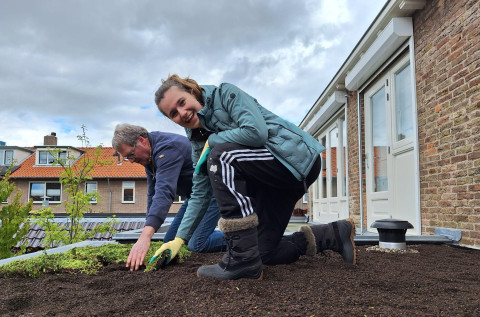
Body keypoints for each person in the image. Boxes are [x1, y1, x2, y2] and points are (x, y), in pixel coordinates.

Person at [152, 74, 356, 280]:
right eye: (174, 114)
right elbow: (200, 192)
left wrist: (213, 140)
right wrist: (179, 239)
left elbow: (256, 133)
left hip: (293, 159)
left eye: (182, 102)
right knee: (263, 253)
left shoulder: (225, 94)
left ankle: (242, 259)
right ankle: (334, 235)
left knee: (221, 157)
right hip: (271, 183)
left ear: (191, 91)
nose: (182, 113)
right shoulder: (196, 138)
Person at [112, 123, 225, 271]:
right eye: (127, 158)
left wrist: (144, 237)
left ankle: (244, 236)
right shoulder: (149, 157)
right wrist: (147, 233)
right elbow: (152, 194)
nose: (131, 160)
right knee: (169, 241)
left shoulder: (168, 148)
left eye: (131, 154)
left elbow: (164, 192)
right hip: (194, 198)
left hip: (211, 195)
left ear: (142, 140)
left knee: (197, 244)